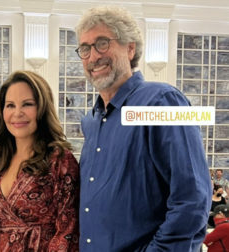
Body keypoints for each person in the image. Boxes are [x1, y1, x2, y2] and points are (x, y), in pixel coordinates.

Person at [75, 6, 211, 251]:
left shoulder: (162, 101)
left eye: (102, 43)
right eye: (85, 48)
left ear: (130, 48)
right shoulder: (92, 121)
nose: (93, 56)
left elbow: (192, 199)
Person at [0, 70, 80, 251]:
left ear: (42, 108)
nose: (17, 113)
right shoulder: (0, 157)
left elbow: (69, 231)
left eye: (27, 104)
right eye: (10, 105)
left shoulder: (59, 159)